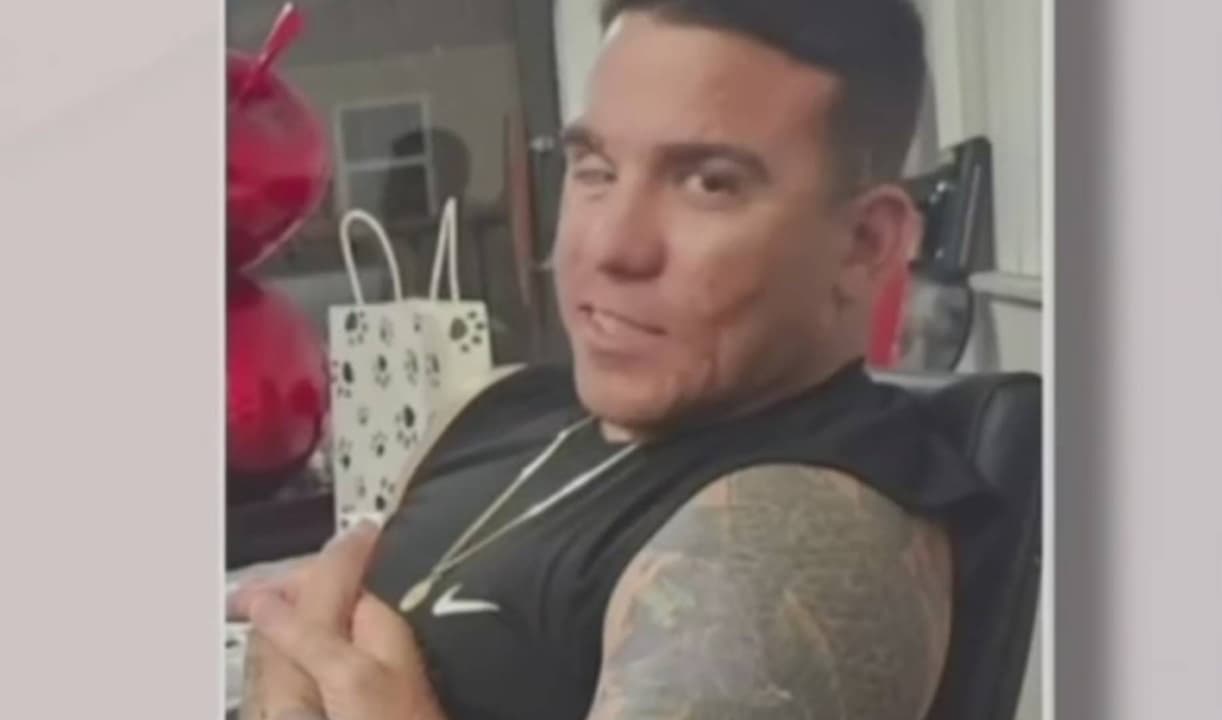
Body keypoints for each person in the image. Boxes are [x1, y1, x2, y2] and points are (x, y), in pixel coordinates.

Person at [232, 1, 995, 718]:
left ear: (866, 244)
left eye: (709, 183)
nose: (610, 246)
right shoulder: (497, 408)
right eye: (594, 169)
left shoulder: (787, 537)